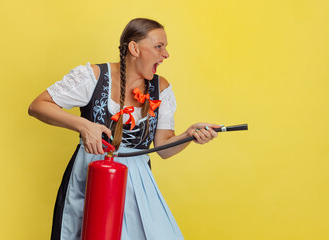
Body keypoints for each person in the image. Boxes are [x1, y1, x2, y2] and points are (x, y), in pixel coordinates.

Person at [29, 18, 220, 240]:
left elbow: (163, 149)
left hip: (138, 185)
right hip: (90, 180)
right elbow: (38, 106)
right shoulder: (93, 76)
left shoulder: (162, 88)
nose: (166, 54)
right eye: (159, 46)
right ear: (134, 48)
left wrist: (189, 135)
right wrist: (84, 125)